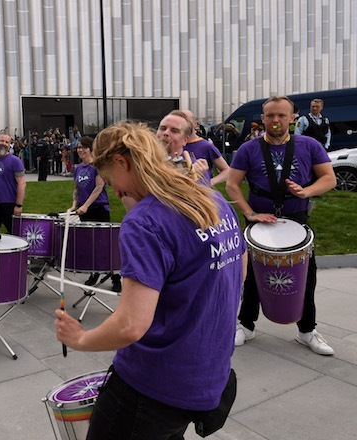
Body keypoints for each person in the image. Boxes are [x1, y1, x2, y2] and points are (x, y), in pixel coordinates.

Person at [55, 122, 247, 439]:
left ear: (122, 161)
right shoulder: (214, 202)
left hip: (151, 387)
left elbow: (130, 325)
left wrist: (80, 340)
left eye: (109, 179)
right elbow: (237, 277)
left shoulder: (145, 222)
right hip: (206, 378)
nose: (115, 192)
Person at [226, 95, 337, 356]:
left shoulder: (309, 145)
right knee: (252, 276)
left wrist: (306, 191)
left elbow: (329, 179)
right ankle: (246, 325)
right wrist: (250, 213)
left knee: (307, 275)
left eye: (281, 116)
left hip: (297, 221)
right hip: (259, 220)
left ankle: (307, 331)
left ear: (292, 118)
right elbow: (232, 185)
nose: (275, 120)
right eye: (270, 116)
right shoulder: (248, 149)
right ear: (262, 118)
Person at [67, 136, 122, 292]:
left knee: (105, 246)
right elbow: (76, 189)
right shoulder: (78, 168)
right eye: (78, 147)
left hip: (98, 209)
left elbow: (98, 188)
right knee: (90, 246)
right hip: (84, 210)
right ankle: (94, 273)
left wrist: (85, 206)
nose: (80, 150)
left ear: (90, 149)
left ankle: (116, 278)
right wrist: (74, 205)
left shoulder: (97, 166)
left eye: (84, 147)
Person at [0, 133, 26, 233]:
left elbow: (22, 184)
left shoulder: (15, 161)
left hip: (9, 204)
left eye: (7, 142)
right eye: (2, 141)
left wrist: (19, 205)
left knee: (14, 234)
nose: (4, 144)